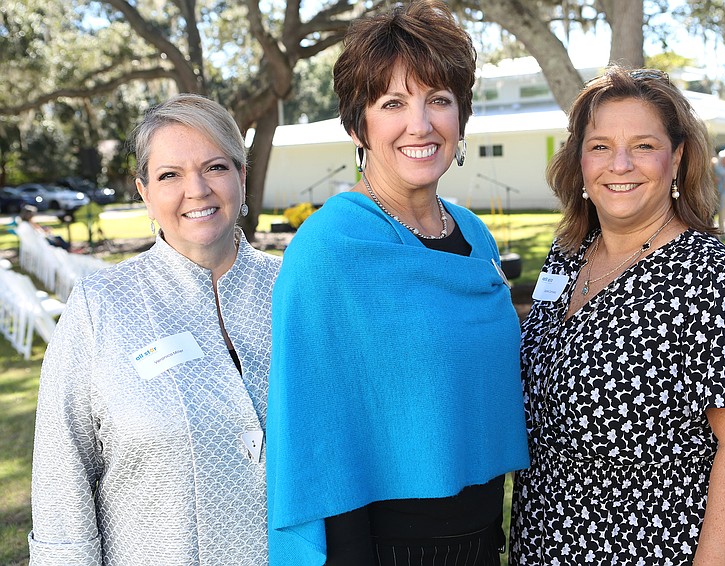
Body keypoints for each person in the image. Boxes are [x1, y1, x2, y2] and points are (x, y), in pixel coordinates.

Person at [509, 66, 725, 565]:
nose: (620, 164)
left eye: (644, 146)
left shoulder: (712, 278)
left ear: (678, 159)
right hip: (548, 544)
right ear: (579, 159)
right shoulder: (567, 255)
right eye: (600, 145)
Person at [265, 2, 529, 565]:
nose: (421, 124)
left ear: (461, 115)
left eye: (439, 100)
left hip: (484, 536)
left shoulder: (475, 236)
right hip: (387, 548)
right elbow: (318, 432)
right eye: (393, 103)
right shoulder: (330, 248)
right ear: (358, 124)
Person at [28, 94, 281, 565]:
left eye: (215, 168)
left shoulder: (295, 292)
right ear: (144, 192)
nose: (198, 190)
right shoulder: (100, 308)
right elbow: (62, 476)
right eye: (170, 175)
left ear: (242, 177)